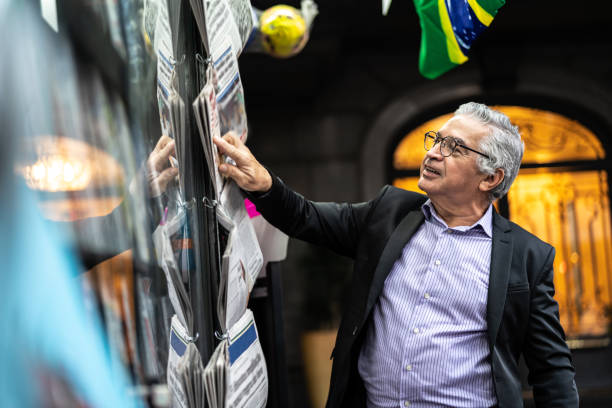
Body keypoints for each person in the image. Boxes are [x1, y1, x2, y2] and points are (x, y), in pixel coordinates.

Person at [213, 102, 579, 408]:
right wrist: (262, 183)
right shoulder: (389, 214)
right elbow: (307, 218)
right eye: (436, 140)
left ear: (490, 179)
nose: (434, 152)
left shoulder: (527, 257)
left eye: (454, 147)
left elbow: (552, 369)